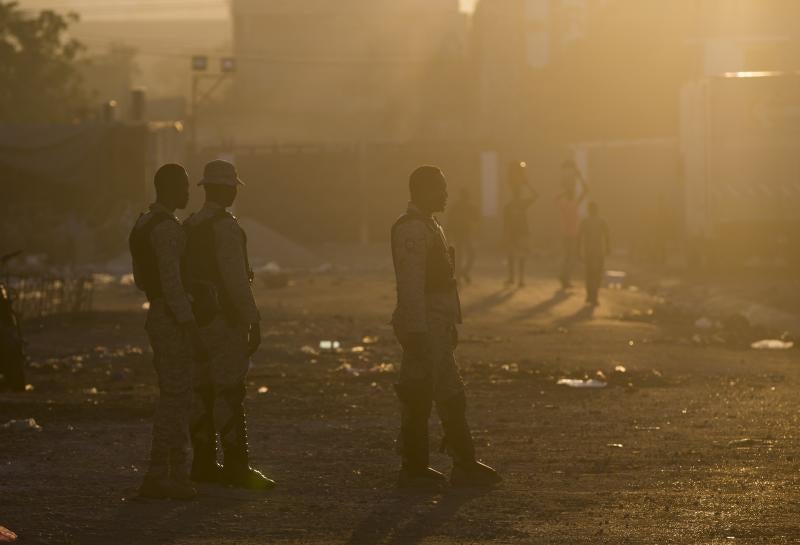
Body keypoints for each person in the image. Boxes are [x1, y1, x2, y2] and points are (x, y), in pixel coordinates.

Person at [390, 165, 500, 489]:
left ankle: (463, 462)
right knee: (418, 395)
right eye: (440, 188)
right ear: (422, 191)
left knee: (450, 393)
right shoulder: (412, 230)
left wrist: (448, 325)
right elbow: (411, 286)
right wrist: (416, 333)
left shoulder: (429, 225)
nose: (446, 194)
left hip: (436, 325)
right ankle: (414, 469)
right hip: (424, 326)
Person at [182, 160, 274, 490]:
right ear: (229, 189)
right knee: (230, 390)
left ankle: (204, 462)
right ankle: (237, 465)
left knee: (201, 390)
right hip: (224, 321)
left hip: (196, 320)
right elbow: (235, 281)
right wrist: (252, 319)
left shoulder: (189, 225)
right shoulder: (226, 227)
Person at [129, 163, 207, 500]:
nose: (188, 193)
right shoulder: (167, 229)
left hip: (158, 313)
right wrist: (190, 324)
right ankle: (159, 473)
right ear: (172, 188)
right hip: (173, 318)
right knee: (175, 400)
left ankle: (175, 475)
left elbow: (141, 279)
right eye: (184, 186)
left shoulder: (143, 224)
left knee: (176, 396)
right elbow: (172, 283)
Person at [503, 162, 538, 287]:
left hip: (519, 233)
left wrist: (526, 183)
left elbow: (506, 223)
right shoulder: (519, 205)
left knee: (515, 256)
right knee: (516, 256)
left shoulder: (513, 205)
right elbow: (536, 195)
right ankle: (517, 279)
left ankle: (515, 278)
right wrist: (526, 184)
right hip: (519, 232)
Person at [556, 160, 589, 289]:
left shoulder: (570, 202)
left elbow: (585, 190)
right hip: (568, 233)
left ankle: (564, 277)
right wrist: (576, 177)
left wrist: (578, 176)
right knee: (570, 257)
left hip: (572, 232)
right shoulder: (566, 202)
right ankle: (564, 277)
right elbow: (585, 190)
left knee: (570, 257)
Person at [578, 202, 611, 306]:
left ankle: (590, 295)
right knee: (597, 274)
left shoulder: (585, 222)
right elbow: (607, 236)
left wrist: (578, 250)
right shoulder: (601, 221)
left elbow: (579, 237)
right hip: (598, 251)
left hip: (589, 251)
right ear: (597, 210)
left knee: (589, 273)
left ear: (589, 210)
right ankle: (594, 296)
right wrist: (608, 248)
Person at [447, 188, 479, 285]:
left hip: (464, 234)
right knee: (465, 255)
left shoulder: (462, 207)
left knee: (465, 255)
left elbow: (476, 218)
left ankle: (461, 274)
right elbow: (450, 221)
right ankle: (461, 275)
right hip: (460, 234)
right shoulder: (462, 207)